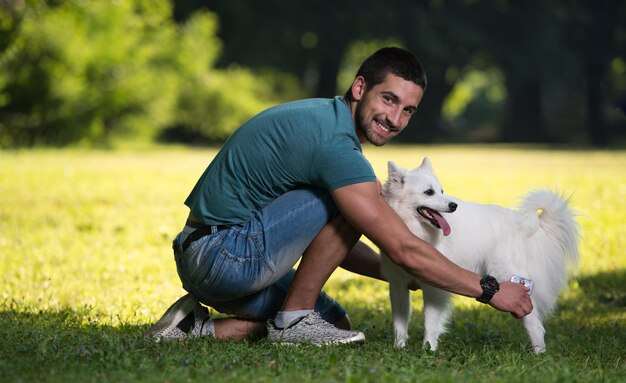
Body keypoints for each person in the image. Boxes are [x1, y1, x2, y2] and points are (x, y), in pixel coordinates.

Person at [146, 47, 533, 345]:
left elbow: (331, 241)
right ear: (360, 87)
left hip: (212, 255)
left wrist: (406, 275)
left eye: (408, 110)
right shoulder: (337, 148)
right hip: (224, 255)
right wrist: (489, 289)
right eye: (388, 99)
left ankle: (193, 330)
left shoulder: (326, 122)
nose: (395, 119)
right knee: (360, 199)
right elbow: (401, 247)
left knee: (335, 324)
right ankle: (294, 319)